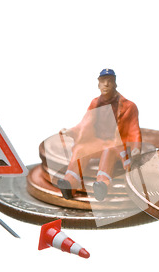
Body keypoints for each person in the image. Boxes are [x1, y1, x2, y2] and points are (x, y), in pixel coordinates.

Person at [57, 69, 142, 201]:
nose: (106, 84)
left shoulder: (129, 106)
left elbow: (134, 130)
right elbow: (84, 123)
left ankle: (102, 185)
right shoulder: (95, 103)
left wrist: (136, 147)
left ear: (115, 84)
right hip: (97, 141)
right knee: (80, 149)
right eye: (103, 81)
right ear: (98, 84)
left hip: (115, 144)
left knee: (108, 152)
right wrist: (71, 131)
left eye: (110, 81)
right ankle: (69, 182)